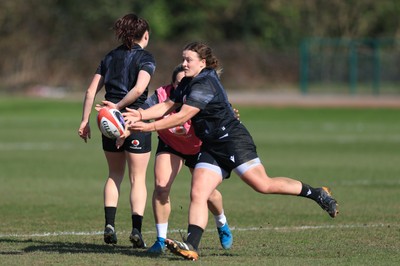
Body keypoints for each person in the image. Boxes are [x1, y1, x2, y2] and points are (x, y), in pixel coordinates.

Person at [121, 41, 339, 261]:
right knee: (198, 192)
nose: (184, 63)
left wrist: (148, 126)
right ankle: (191, 245)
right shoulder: (188, 81)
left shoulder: (205, 83)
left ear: (202, 63)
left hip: (233, 141)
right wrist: (139, 115)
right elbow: (169, 105)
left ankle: (317, 193)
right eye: (183, 58)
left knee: (263, 184)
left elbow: (182, 116)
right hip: (212, 146)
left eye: (188, 59)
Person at [78, 13, 155, 249]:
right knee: (137, 178)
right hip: (133, 120)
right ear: (145, 35)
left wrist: (85, 121)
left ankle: (109, 225)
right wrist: (120, 110)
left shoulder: (110, 56)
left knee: (114, 175)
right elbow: (139, 88)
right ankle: (136, 230)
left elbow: (91, 92)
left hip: (106, 123)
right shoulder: (147, 58)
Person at [139, 64, 233, 254]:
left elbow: (224, 113)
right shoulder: (163, 95)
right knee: (161, 187)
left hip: (199, 146)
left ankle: (221, 222)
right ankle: (160, 240)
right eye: (180, 83)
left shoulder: (202, 93)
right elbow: (144, 112)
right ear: (173, 84)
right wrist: (125, 126)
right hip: (171, 144)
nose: (185, 87)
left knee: (208, 194)